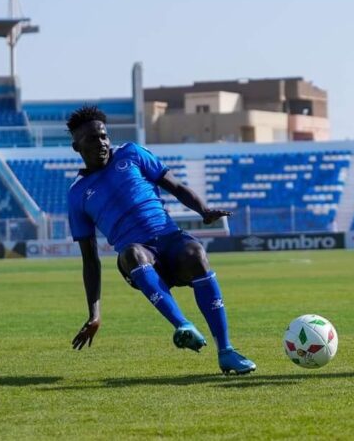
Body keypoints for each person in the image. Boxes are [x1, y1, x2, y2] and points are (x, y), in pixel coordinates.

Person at [66, 105, 256, 376]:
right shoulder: (78, 194)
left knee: (196, 252)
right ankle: (183, 326)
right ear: (76, 147)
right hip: (141, 257)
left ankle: (226, 351)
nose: (101, 143)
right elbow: (90, 260)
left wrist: (203, 210)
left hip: (171, 242)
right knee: (132, 253)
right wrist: (94, 314)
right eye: (92, 139)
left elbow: (176, 186)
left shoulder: (132, 153)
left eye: (104, 136)